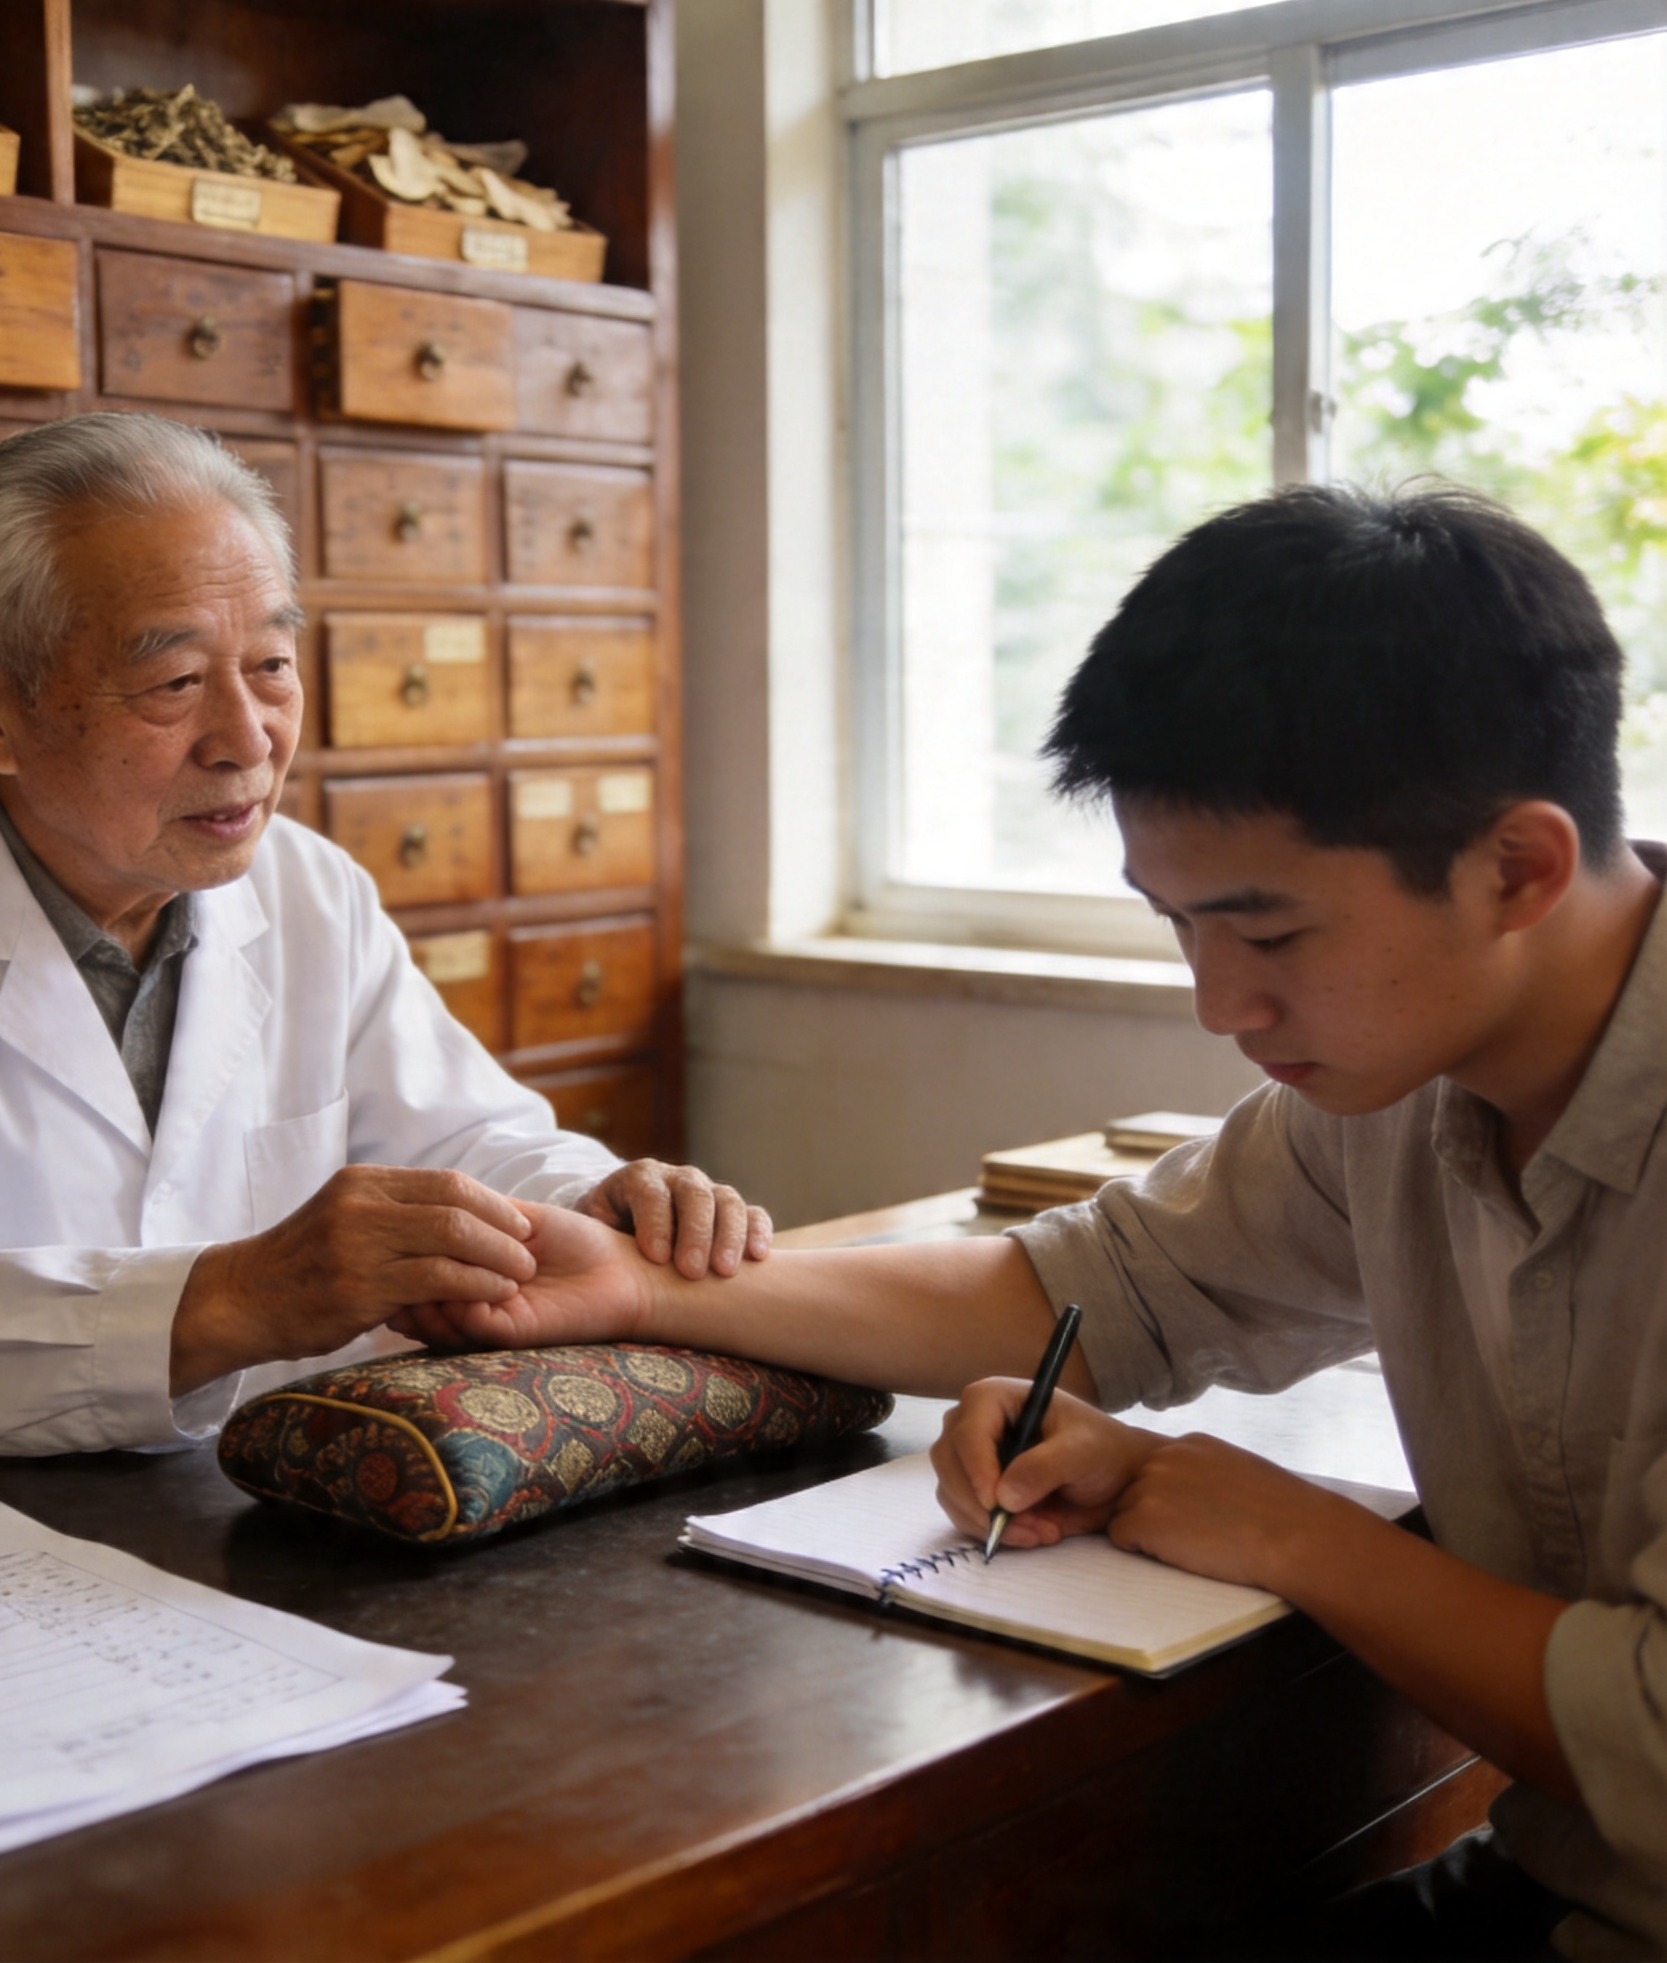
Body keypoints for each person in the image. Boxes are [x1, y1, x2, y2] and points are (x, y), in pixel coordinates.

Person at [401, 485, 1667, 1958]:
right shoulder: (1391, 1094)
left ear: (1519, 866)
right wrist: (641, 1291)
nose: (1220, 1006)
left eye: (1268, 933)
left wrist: (1295, 1534)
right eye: (1175, 923)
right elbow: (1081, 1286)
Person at [0, 413, 764, 1496]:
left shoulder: (308, 887)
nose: (246, 738)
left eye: (270, 664)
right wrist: (228, 1298)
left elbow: (467, 1136)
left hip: (214, 1516)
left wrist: (597, 1199)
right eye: (173, 684)